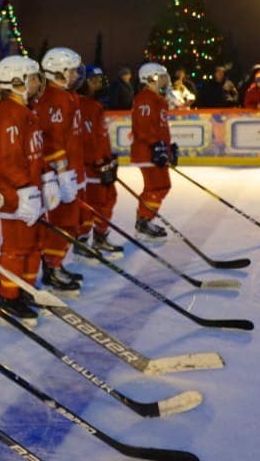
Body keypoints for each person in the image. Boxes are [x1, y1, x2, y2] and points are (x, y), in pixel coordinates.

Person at [0, 55, 49, 322]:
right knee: (16, 247)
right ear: (17, 81)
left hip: (31, 192)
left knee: (34, 245)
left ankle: (24, 290)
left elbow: (33, 153)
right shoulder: (9, 112)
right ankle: (9, 297)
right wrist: (24, 188)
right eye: (32, 77)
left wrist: (46, 180)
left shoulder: (26, 110)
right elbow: (7, 159)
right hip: (16, 195)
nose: (37, 82)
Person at [34, 47, 86, 295]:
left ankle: (57, 263)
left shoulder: (67, 96)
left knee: (72, 223)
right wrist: (61, 169)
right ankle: (51, 267)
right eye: (72, 70)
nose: (77, 74)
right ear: (59, 73)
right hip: (60, 174)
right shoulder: (53, 99)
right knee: (64, 222)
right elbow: (51, 139)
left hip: (72, 171)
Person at [76, 66, 123, 257]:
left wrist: (108, 158)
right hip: (91, 167)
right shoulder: (80, 105)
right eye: (93, 80)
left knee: (109, 198)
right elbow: (85, 138)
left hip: (102, 164)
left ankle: (100, 236)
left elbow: (100, 136)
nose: (98, 84)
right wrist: (96, 160)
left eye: (98, 80)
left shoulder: (96, 105)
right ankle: (83, 241)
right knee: (92, 205)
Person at [130, 62, 174, 239]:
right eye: (161, 76)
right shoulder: (145, 98)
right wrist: (157, 145)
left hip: (155, 150)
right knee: (155, 187)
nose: (165, 80)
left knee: (162, 186)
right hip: (147, 152)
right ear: (151, 78)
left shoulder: (158, 99)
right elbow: (143, 127)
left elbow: (160, 127)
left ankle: (145, 220)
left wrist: (168, 148)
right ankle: (143, 222)